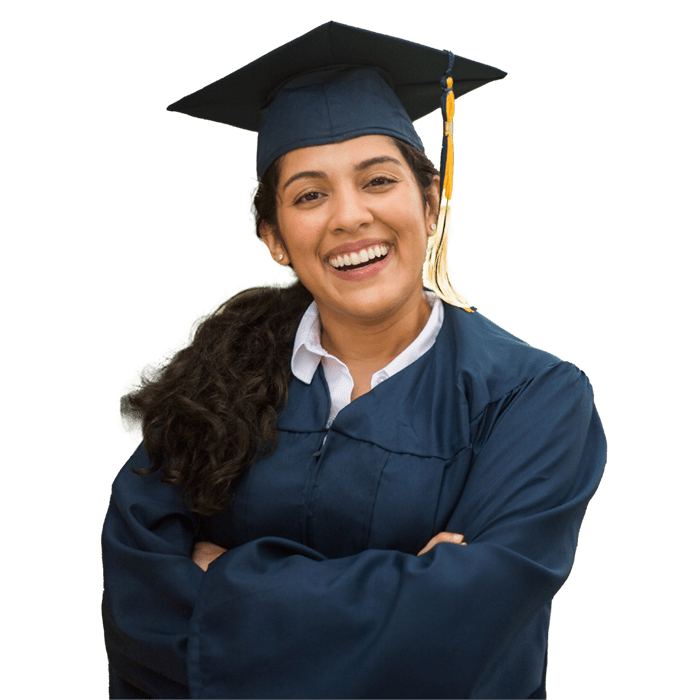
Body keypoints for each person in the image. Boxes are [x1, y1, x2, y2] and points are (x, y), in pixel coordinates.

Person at [102, 21, 606, 699]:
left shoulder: (534, 399)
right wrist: (406, 588)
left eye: (377, 181)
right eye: (310, 195)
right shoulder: (214, 380)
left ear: (429, 204)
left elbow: (463, 633)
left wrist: (223, 582)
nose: (349, 217)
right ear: (275, 237)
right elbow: (140, 605)